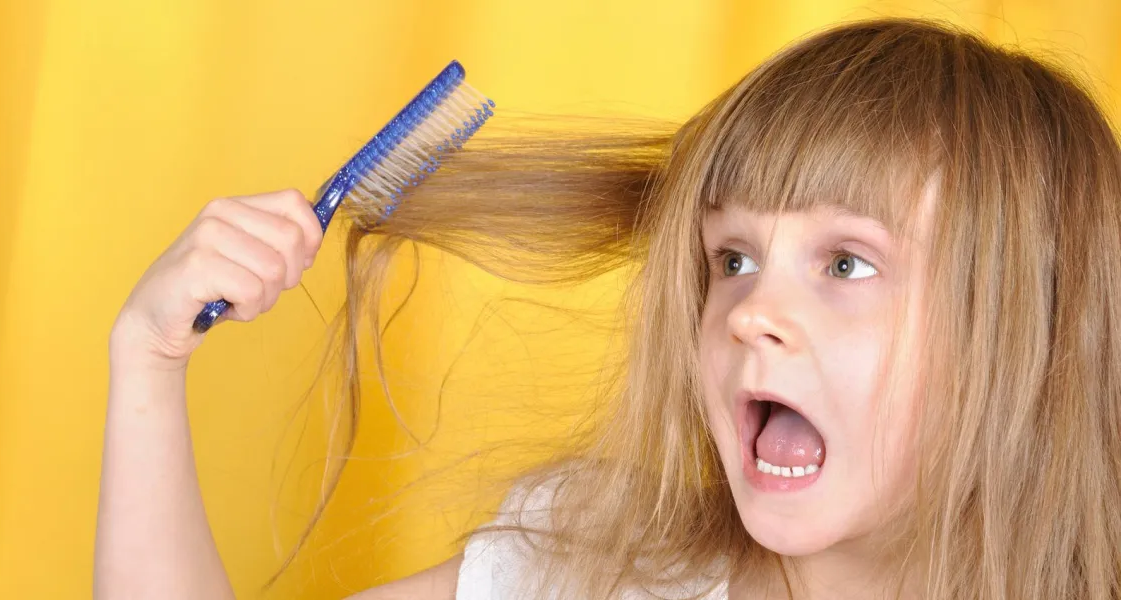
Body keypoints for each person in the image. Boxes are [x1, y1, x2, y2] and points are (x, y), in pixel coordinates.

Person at [94, 16, 1121, 600]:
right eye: (733, 257)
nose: (751, 311)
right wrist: (147, 361)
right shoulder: (601, 575)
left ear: (1034, 329)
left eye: (848, 264)